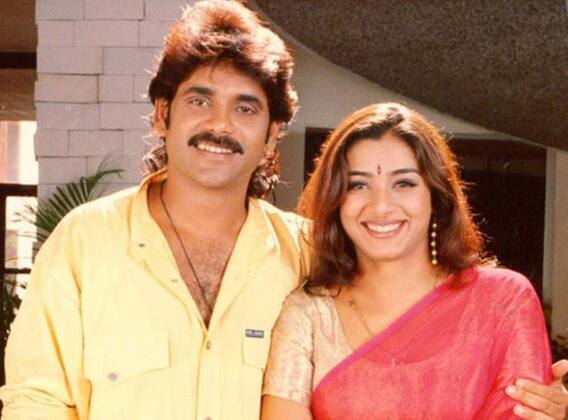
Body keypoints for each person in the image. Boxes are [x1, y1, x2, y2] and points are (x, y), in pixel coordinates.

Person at [0, 2, 565, 419]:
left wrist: (538, 399)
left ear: (272, 134)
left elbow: (402, 345)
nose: (220, 125)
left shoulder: (307, 254)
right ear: (162, 114)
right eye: (199, 100)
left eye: (245, 108)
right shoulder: (86, 243)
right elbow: (35, 401)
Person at [261, 102, 568, 419]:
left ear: (437, 196)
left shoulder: (502, 301)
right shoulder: (309, 315)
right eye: (358, 185)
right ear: (335, 199)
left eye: (404, 183)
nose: (381, 206)